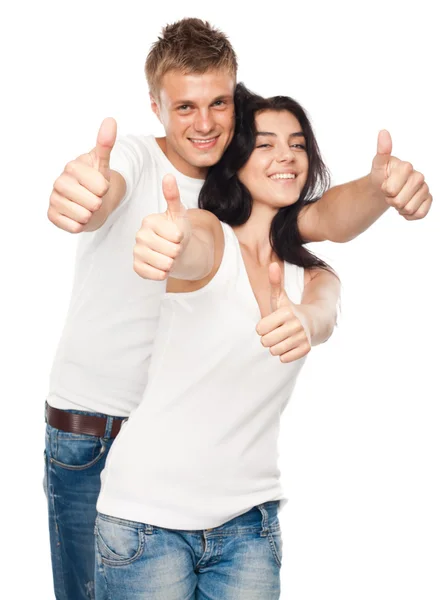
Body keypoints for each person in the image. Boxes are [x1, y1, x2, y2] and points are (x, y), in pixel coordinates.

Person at [44, 18, 432, 600]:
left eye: (219, 103)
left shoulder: (253, 208)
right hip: (92, 426)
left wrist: (381, 188)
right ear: (156, 108)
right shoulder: (136, 161)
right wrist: (88, 198)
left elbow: (327, 218)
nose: (205, 123)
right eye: (185, 107)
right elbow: (113, 195)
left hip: (208, 478)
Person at [93, 83, 340, 599]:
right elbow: (189, 244)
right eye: (266, 143)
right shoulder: (209, 231)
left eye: (297, 144)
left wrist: (306, 324)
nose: (286, 156)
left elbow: (322, 311)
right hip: (145, 522)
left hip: (249, 527)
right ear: (237, 158)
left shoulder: (312, 275)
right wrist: (166, 240)